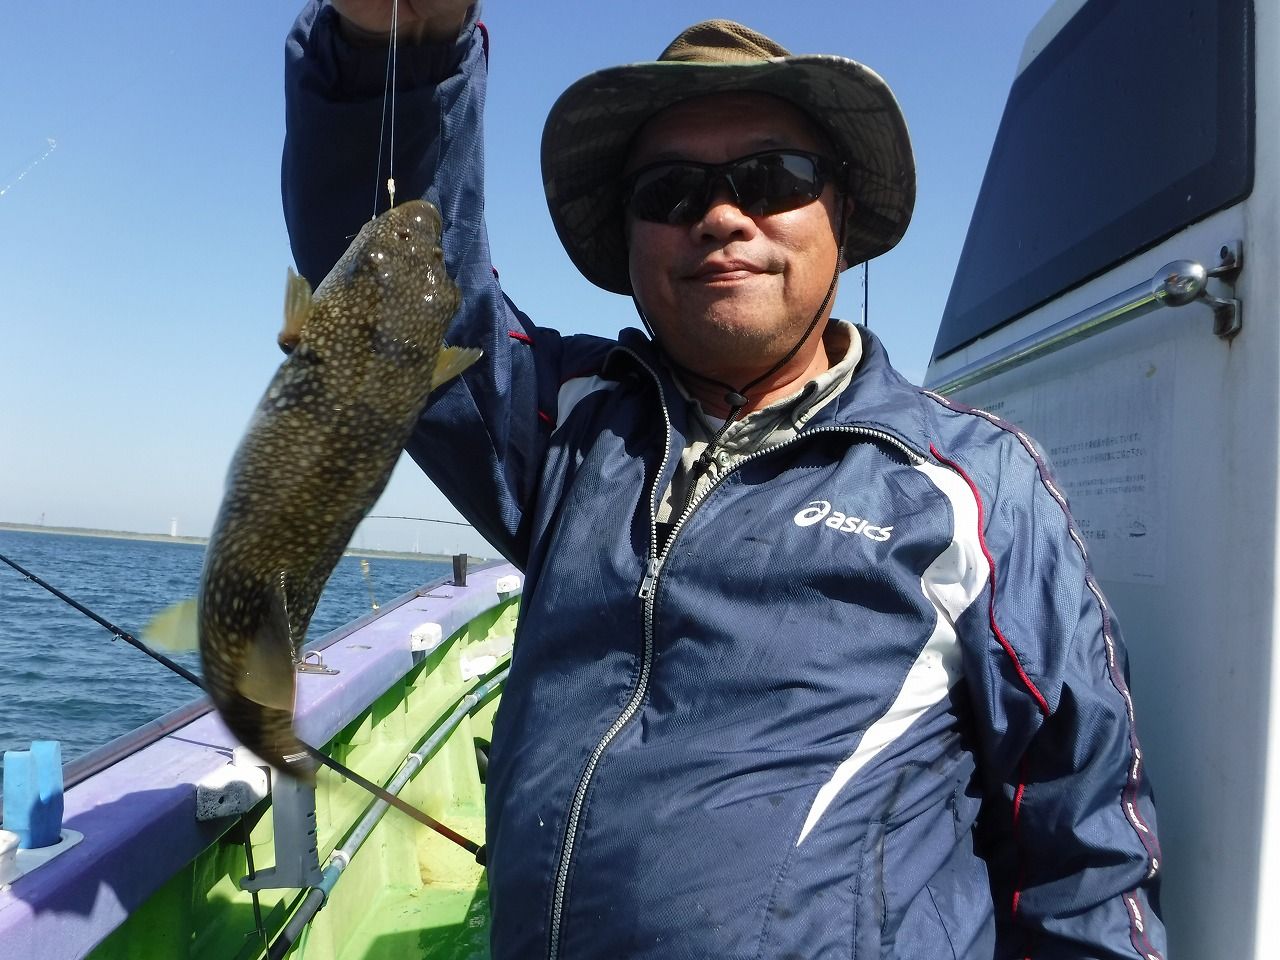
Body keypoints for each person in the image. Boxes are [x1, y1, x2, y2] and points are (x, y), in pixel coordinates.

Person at [283, 3, 1167, 957]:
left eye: (774, 177)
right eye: (669, 191)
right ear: (629, 240)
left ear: (842, 215)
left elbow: (1084, 850)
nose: (719, 215)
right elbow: (385, 294)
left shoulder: (974, 486)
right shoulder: (568, 424)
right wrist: (394, 43)